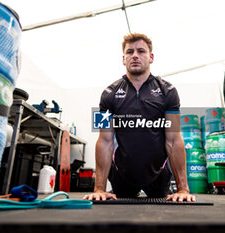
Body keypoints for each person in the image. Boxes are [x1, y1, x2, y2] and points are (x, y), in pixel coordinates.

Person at [83, 33, 196, 202]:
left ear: (151, 57)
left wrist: (183, 189)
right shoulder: (108, 94)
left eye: (141, 51)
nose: (135, 55)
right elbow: (105, 141)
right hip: (122, 175)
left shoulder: (168, 91)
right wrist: (99, 188)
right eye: (130, 52)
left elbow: (173, 140)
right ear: (123, 59)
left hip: (158, 175)